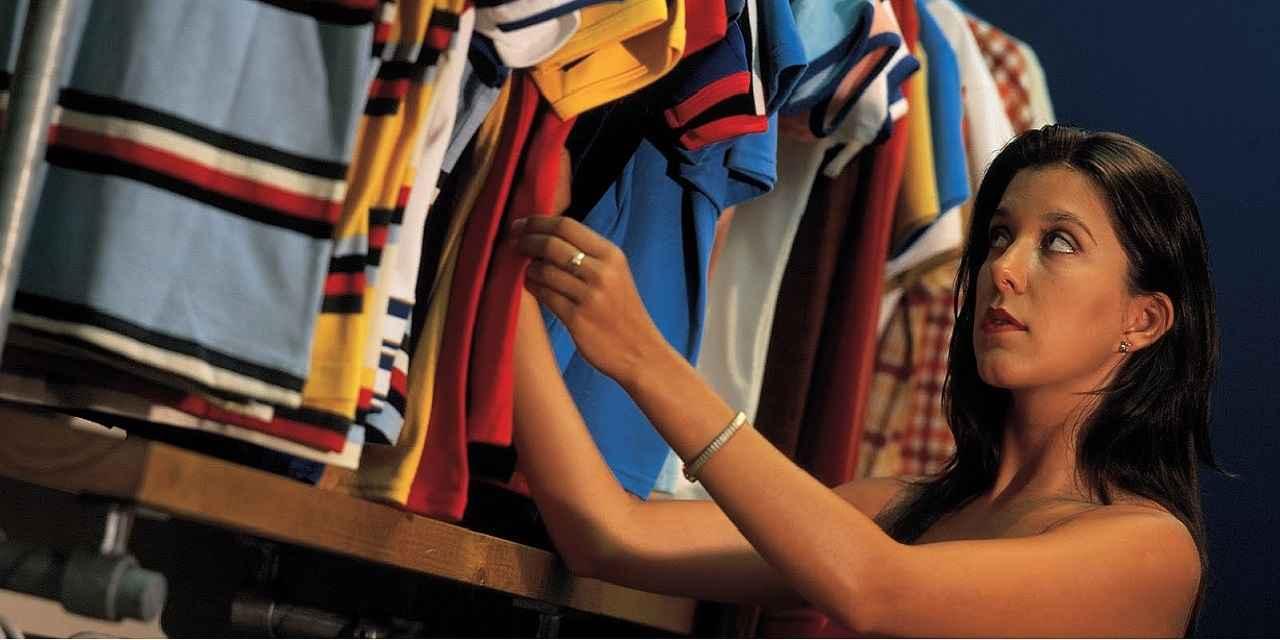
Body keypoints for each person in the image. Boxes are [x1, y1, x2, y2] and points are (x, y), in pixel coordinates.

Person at [505, 125, 1220, 636]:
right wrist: (507, 262)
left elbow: (873, 589)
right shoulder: (898, 511)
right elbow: (608, 534)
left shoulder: (1149, 551)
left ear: (1145, 319)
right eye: (1000, 235)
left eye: (1058, 243)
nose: (1002, 268)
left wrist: (643, 356)